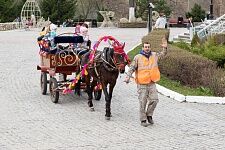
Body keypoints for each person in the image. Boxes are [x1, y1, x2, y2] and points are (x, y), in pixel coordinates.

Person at [124, 38, 168, 127]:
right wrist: (128, 77)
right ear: (143, 48)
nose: (147, 48)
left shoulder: (154, 55)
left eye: (148, 47)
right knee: (142, 102)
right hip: (142, 83)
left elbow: (163, 55)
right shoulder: (138, 57)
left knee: (155, 100)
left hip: (152, 82)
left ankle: (149, 115)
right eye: (145, 47)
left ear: (150, 47)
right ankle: (143, 119)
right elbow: (132, 68)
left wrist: (165, 48)